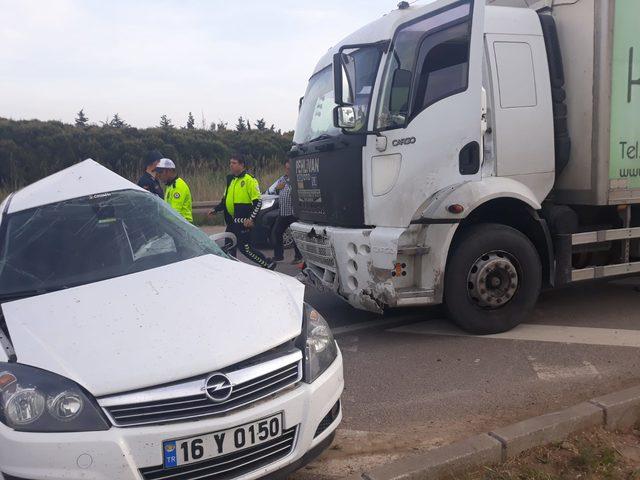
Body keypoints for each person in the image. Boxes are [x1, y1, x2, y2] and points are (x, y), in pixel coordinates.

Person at [210, 154, 275, 270]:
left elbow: (258, 202)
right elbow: (225, 201)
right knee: (229, 246)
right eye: (230, 163)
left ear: (242, 165)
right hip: (231, 222)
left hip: (243, 222)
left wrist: (251, 219)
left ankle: (266, 263)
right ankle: (232, 269)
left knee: (245, 249)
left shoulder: (250, 180)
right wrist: (216, 209)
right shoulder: (230, 180)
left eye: (234, 163)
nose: (231, 165)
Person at [267, 159, 302, 263]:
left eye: (289, 169)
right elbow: (273, 191)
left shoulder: (297, 179)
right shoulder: (282, 179)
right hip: (283, 212)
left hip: (293, 213)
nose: (287, 171)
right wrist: (278, 188)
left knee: (295, 235)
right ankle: (278, 256)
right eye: (286, 168)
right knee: (277, 233)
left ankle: (298, 257)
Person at [155, 158, 193, 223]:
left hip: (183, 224)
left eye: (161, 172)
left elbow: (174, 212)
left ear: (169, 171)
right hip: (176, 224)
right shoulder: (170, 186)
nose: (158, 175)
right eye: (157, 172)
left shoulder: (178, 186)